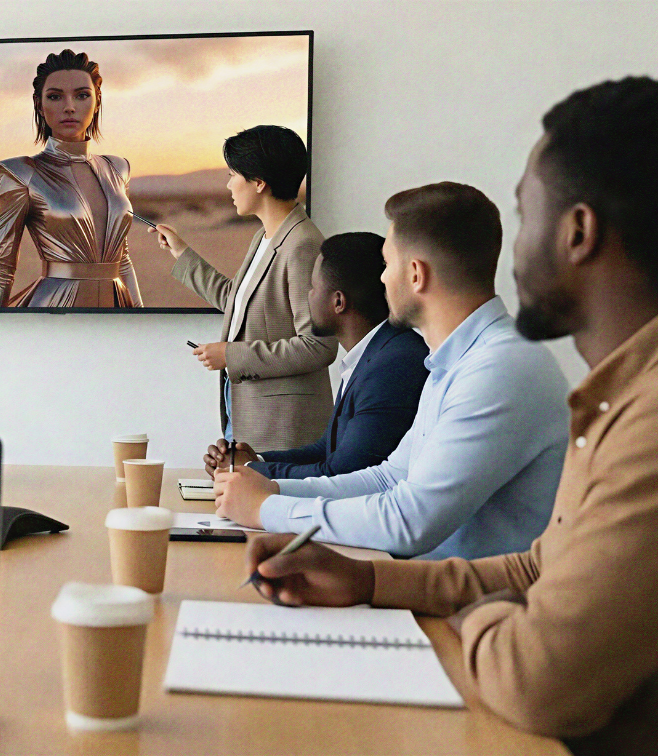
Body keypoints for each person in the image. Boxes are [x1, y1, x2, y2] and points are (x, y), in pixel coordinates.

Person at [243, 76, 658, 755]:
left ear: (577, 232)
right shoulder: (616, 396)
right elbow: (534, 569)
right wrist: (369, 580)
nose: (509, 253)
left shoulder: (635, 416)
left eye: (527, 218)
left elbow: (537, 676)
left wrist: (478, 617)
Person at [215, 182, 568, 560]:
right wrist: (273, 490)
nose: (382, 279)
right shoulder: (455, 361)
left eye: (389, 264)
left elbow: (408, 522)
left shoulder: (499, 369)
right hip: (432, 591)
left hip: (472, 610)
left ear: (416, 274)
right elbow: (388, 477)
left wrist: (266, 509)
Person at [153, 125, 337, 451]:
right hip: (249, 414)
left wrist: (231, 354)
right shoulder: (265, 236)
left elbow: (318, 346)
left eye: (232, 174)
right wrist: (181, 251)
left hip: (284, 427)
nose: (227, 185)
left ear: (259, 182)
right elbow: (236, 299)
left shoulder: (301, 245)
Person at [204, 232, 428, 479]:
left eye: (312, 287)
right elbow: (326, 450)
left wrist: (248, 470)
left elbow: (342, 473)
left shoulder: (392, 367)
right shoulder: (374, 353)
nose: (308, 295)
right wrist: (255, 459)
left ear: (338, 302)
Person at [0, 48, 142, 308]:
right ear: (39, 104)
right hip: (53, 311)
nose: (69, 107)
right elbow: (1, 266)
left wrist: (140, 315)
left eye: (82, 95)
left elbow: (122, 259)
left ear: (97, 100)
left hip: (118, 306)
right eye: (55, 97)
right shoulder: (21, 173)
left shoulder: (118, 168)